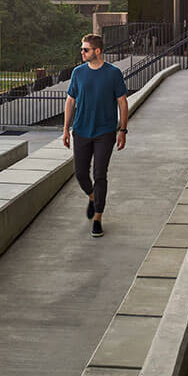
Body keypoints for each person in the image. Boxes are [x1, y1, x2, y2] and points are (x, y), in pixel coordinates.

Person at [63, 33, 129, 238]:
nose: (82, 52)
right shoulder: (78, 73)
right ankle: (93, 197)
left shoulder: (113, 74)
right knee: (81, 173)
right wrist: (65, 128)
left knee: (100, 174)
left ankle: (98, 217)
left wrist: (123, 130)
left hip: (105, 132)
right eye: (82, 49)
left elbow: (122, 102)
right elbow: (70, 101)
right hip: (81, 131)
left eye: (85, 49)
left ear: (97, 51)